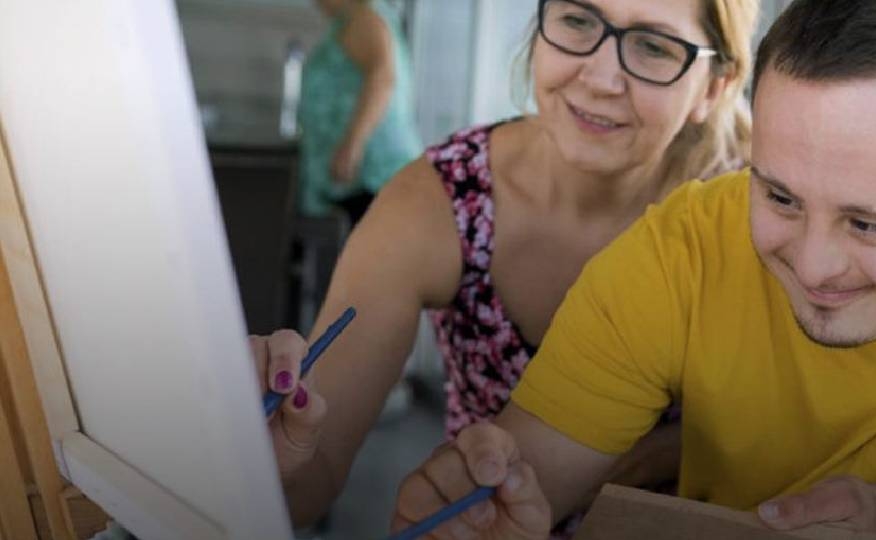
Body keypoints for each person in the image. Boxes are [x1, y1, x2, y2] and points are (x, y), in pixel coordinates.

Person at [387, 1, 876, 539]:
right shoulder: (683, 248)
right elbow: (527, 478)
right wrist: (484, 505)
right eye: (778, 195)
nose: (811, 263)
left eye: (869, 223)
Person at [251, 0, 760, 530]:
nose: (600, 78)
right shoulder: (443, 199)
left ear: (714, 87)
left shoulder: (766, 222)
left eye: (653, 47)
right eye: (578, 20)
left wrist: (657, 455)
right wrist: (269, 447)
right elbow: (311, 476)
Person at [298, 0, 423, 225]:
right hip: (361, 179)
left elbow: (383, 79)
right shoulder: (353, 19)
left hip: (372, 174)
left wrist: (352, 146)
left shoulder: (363, 18)